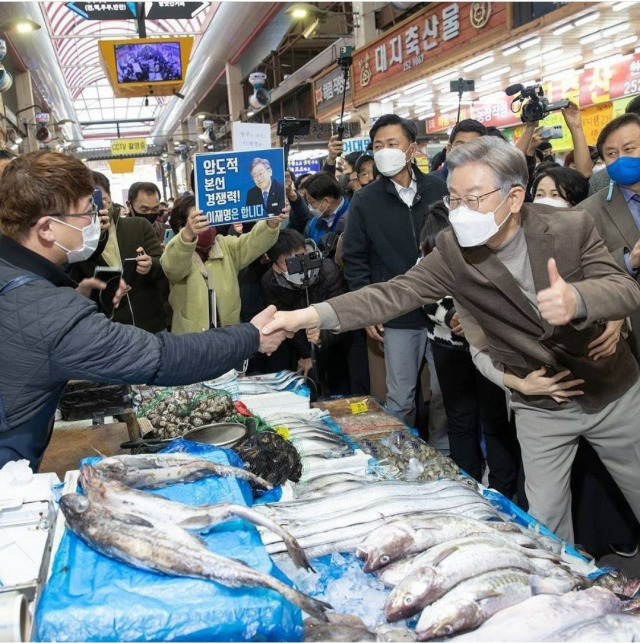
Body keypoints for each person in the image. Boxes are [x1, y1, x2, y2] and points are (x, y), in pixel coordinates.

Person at [263, 136, 640, 545]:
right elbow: (393, 294)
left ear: (514, 197)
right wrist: (305, 315)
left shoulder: (570, 227)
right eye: (454, 199)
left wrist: (578, 299)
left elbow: (624, 289)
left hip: (610, 390)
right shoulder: (453, 251)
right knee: (546, 517)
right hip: (541, 402)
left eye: (473, 199)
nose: (459, 212)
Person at [0, 151, 286, 470]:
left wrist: (77, 298)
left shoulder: (18, 278)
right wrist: (251, 336)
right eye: (85, 214)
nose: (95, 221)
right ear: (46, 229)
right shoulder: (46, 309)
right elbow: (162, 357)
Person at [341, 113, 448, 438]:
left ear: (412, 149)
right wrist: (367, 307)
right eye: (377, 145)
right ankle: (402, 459)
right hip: (397, 313)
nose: (384, 150)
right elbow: (354, 257)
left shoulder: (438, 188)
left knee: (446, 394)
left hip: (444, 311)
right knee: (401, 398)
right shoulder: (365, 199)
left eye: (392, 143)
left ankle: (445, 456)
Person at [161, 195, 280, 333]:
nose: (207, 225)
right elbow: (172, 267)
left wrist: (271, 223)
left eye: (210, 218)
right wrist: (187, 235)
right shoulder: (174, 251)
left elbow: (253, 243)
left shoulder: (225, 245)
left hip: (228, 333)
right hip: (191, 339)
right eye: (200, 220)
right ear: (182, 226)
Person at [578, 112, 640, 363]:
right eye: (612, 154)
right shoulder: (586, 213)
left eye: (629, 149)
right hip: (632, 334)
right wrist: (629, 261)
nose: (621, 159)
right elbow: (582, 275)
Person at [261, 229, 350, 394]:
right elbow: (282, 321)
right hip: (297, 342)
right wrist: (306, 354)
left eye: (302, 257)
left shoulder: (329, 270)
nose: (300, 267)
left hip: (333, 340)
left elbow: (342, 314)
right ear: (276, 266)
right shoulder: (270, 282)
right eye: (290, 263)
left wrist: (322, 336)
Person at [72, 181, 168, 334]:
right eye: (91, 201)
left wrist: (151, 265)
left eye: (103, 199)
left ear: (110, 197)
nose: (100, 205)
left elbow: (162, 265)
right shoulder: (75, 241)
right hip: (109, 329)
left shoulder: (139, 226)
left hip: (151, 322)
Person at [296, 172, 350, 246]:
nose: (309, 207)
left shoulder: (353, 217)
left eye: (310, 202)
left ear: (326, 201)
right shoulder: (313, 222)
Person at [430, 119, 487, 184]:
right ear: (449, 149)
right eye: (460, 146)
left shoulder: (492, 182)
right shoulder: (429, 184)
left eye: (473, 146)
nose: (466, 152)